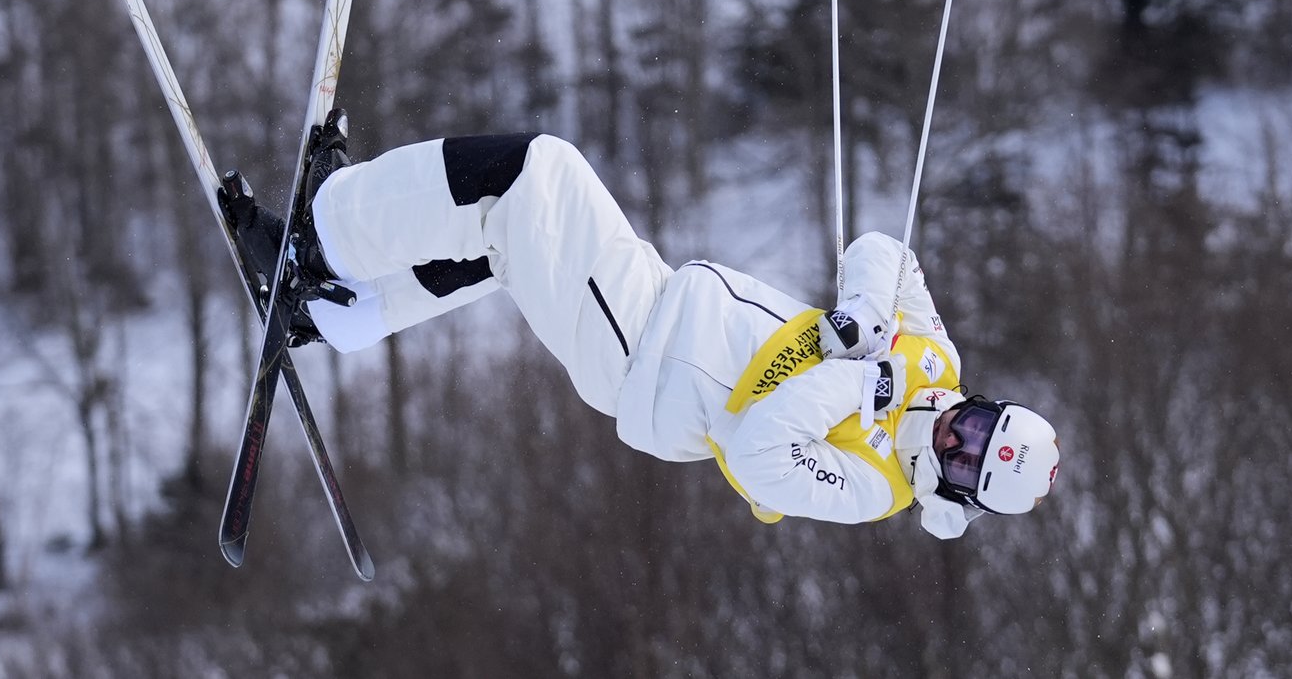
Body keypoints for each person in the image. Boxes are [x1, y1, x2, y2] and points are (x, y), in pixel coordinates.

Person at [221, 123, 1059, 538]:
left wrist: (856, 380)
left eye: (965, 455)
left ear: (957, 491)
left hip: (651, 366)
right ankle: (343, 306)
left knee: (533, 173)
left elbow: (759, 452)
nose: (955, 428)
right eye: (980, 420)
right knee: (508, 237)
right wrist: (871, 311)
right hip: (662, 304)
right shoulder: (934, 361)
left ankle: (318, 240)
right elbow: (884, 251)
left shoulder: (877, 484)